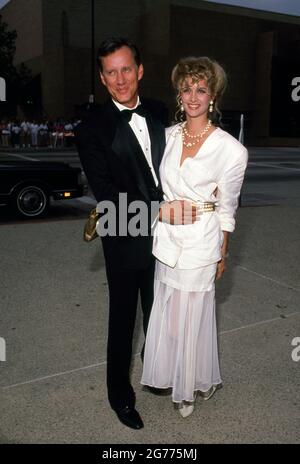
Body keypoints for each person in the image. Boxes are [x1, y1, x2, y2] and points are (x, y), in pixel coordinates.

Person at [75, 38, 196, 430]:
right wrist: (160, 211)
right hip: (125, 235)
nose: (120, 78)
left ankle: (160, 373)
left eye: (126, 69)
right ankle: (119, 396)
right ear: (102, 78)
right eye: (111, 71)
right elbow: (107, 197)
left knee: (164, 316)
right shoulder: (91, 129)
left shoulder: (161, 112)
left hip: (170, 238)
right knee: (124, 322)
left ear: (140, 70)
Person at [141, 56, 248, 418]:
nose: (193, 96)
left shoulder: (231, 150)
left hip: (202, 240)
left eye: (201, 89)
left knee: (192, 315)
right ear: (178, 94)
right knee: (171, 315)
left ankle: (187, 390)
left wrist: (223, 252)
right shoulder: (167, 136)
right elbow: (151, 186)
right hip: (167, 239)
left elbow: (228, 209)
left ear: (213, 95)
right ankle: (179, 375)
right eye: (186, 89)